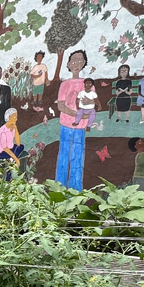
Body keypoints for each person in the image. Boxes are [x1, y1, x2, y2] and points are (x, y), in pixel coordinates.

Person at [55, 49, 88, 190]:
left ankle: (75, 192)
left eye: (80, 60)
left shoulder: (87, 84)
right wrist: (77, 114)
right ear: (68, 64)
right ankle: (59, 188)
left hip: (80, 128)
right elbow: (61, 106)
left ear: (84, 63)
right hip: (66, 126)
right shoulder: (65, 84)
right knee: (63, 157)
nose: (76, 63)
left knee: (77, 159)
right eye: (73, 60)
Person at [0, 107, 25, 179]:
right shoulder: (3, 131)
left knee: (21, 146)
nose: (16, 119)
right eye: (14, 117)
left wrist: (15, 129)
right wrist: (16, 158)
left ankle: (11, 160)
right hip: (0, 152)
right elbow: (5, 148)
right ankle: (11, 166)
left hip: (10, 149)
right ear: (9, 118)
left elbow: (18, 143)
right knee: (13, 158)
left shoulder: (12, 127)